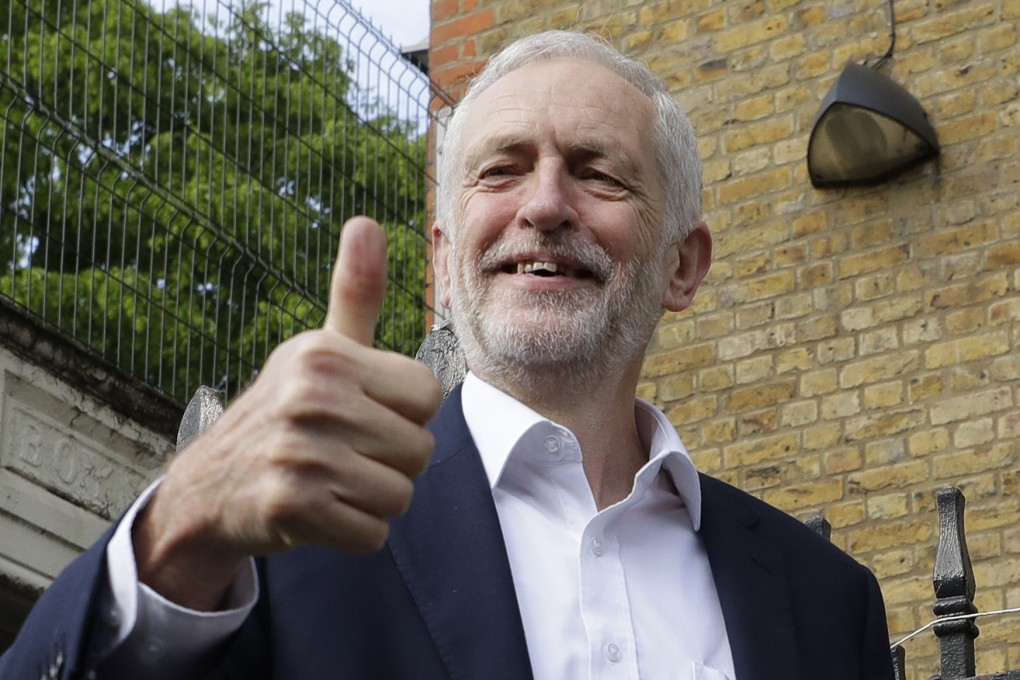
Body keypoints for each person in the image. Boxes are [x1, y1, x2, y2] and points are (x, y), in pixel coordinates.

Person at [1, 30, 895, 680]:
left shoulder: (825, 602)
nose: (544, 204)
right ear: (441, 256)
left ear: (683, 266)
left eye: (598, 172)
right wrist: (177, 527)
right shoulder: (279, 538)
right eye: (500, 170)